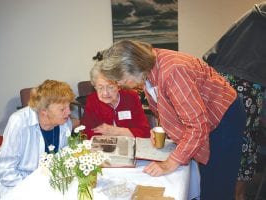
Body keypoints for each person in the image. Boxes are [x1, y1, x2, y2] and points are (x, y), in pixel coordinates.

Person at [94, 40, 246, 200]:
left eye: (121, 80)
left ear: (133, 67)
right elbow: (167, 104)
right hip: (205, 115)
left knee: (217, 182)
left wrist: (170, 163)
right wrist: (163, 129)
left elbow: (197, 126)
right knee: (208, 178)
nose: (121, 85)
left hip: (223, 116)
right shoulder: (147, 66)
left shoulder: (173, 71)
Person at [203, 3, 266, 199]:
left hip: (221, 79)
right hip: (250, 85)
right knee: (243, 144)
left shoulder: (251, 15)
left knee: (220, 142)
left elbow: (211, 54)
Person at [0, 80, 75, 200]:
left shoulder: (64, 122)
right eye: (62, 109)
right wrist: (34, 189)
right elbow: (4, 169)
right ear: (44, 111)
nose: (68, 112)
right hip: (11, 183)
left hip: (44, 181)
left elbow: (63, 158)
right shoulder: (19, 122)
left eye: (69, 106)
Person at [81, 63, 150, 139]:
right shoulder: (92, 100)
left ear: (119, 86)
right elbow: (85, 132)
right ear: (95, 86)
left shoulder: (131, 97)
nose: (105, 93)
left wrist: (118, 131)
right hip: (104, 148)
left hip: (129, 145)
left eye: (110, 87)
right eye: (100, 88)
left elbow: (145, 132)